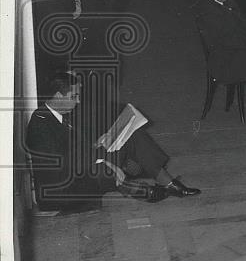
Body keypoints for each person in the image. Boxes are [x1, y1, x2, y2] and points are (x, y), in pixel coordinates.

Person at [25, 72, 200, 215]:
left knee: (132, 135)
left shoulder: (58, 113)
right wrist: (104, 161)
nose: (78, 101)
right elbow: (65, 164)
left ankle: (169, 184)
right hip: (62, 190)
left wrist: (98, 143)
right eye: (74, 96)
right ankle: (145, 192)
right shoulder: (40, 124)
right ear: (58, 96)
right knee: (104, 170)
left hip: (79, 169)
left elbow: (74, 150)